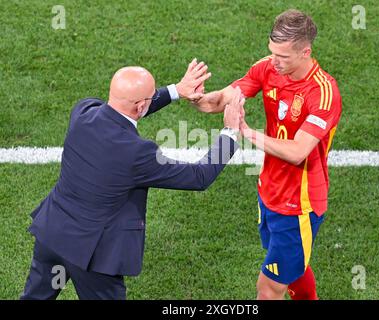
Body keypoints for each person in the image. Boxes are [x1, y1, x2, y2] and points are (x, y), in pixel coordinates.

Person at [21, 59, 245, 300]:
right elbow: (199, 177)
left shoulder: (82, 112)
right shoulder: (137, 153)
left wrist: (176, 91)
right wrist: (230, 132)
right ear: (140, 107)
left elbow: (124, 110)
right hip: (92, 255)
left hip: (52, 233)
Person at [193, 9, 342, 300]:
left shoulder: (323, 92)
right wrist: (195, 98)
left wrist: (245, 131)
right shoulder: (268, 68)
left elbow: (299, 151)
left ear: (305, 52)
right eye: (272, 52)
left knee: (269, 287)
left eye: (282, 56)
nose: (274, 61)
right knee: (293, 268)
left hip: (299, 204)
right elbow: (223, 100)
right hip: (269, 189)